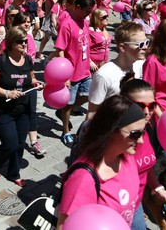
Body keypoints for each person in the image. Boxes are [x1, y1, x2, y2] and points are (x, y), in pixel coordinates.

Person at [56, 96, 146, 228]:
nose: (141, 141)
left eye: (143, 132)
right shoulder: (84, 178)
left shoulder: (126, 155)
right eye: (135, 134)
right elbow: (64, 226)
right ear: (110, 132)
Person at [0, 26, 42, 186]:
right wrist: (6, 93)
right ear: (11, 43)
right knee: (9, 144)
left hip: (22, 110)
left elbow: (31, 77)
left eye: (26, 41)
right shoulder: (1, 61)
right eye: (21, 42)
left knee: (19, 145)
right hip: (3, 111)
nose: (25, 44)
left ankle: (13, 173)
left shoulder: (28, 60)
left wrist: (37, 83)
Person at [120, 78, 166, 230]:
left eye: (152, 105)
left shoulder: (145, 130)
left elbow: (145, 166)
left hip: (136, 202)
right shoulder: (112, 139)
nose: (147, 111)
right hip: (113, 207)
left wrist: (158, 188)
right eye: (139, 105)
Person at [55, 0, 94, 146]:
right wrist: (64, 76)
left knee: (89, 95)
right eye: (87, 11)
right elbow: (60, 50)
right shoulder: (67, 24)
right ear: (78, 7)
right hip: (71, 72)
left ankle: (65, 110)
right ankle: (66, 131)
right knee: (68, 104)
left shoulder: (84, 22)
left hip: (84, 70)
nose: (88, 14)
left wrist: (89, 61)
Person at [88, 22, 147, 119]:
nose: (145, 47)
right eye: (140, 44)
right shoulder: (104, 75)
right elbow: (92, 113)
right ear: (123, 47)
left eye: (146, 42)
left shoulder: (141, 65)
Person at [12, 12, 45, 156]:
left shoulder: (30, 37)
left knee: (32, 110)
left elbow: (31, 62)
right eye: (24, 22)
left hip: (29, 80)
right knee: (16, 111)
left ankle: (33, 142)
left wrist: (34, 79)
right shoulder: (11, 39)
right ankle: (13, 141)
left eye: (29, 22)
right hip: (15, 81)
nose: (27, 24)